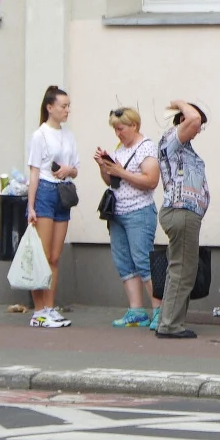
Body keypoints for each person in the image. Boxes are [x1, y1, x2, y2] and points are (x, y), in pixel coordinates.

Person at [95, 107, 161, 329]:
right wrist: (104, 168)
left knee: (143, 261)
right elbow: (112, 181)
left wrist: (120, 171)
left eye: (120, 128)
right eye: (114, 129)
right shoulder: (120, 148)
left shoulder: (147, 147)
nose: (117, 133)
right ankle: (136, 311)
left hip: (139, 212)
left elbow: (151, 180)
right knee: (124, 262)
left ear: (134, 125)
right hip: (118, 213)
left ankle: (160, 310)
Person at [25, 86, 79, 328]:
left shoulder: (68, 135)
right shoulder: (40, 135)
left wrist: (69, 170)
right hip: (46, 191)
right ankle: (38, 311)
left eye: (68, 106)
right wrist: (31, 205)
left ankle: (49, 306)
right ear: (50, 107)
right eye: (63, 106)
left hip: (63, 192)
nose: (67, 110)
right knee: (42, 256)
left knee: (55, 257)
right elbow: (34, 171)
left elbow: (75, 168)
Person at [156, 100, 208, 339]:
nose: (198, 131)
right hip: (181, 211)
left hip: (185, 213)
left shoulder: (184, 148)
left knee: (180, 268)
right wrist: (181, 104)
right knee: (182, 270)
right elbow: (193, 119)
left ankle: (171, 321)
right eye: (197, 127)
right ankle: (169, 325)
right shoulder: (172, 141)